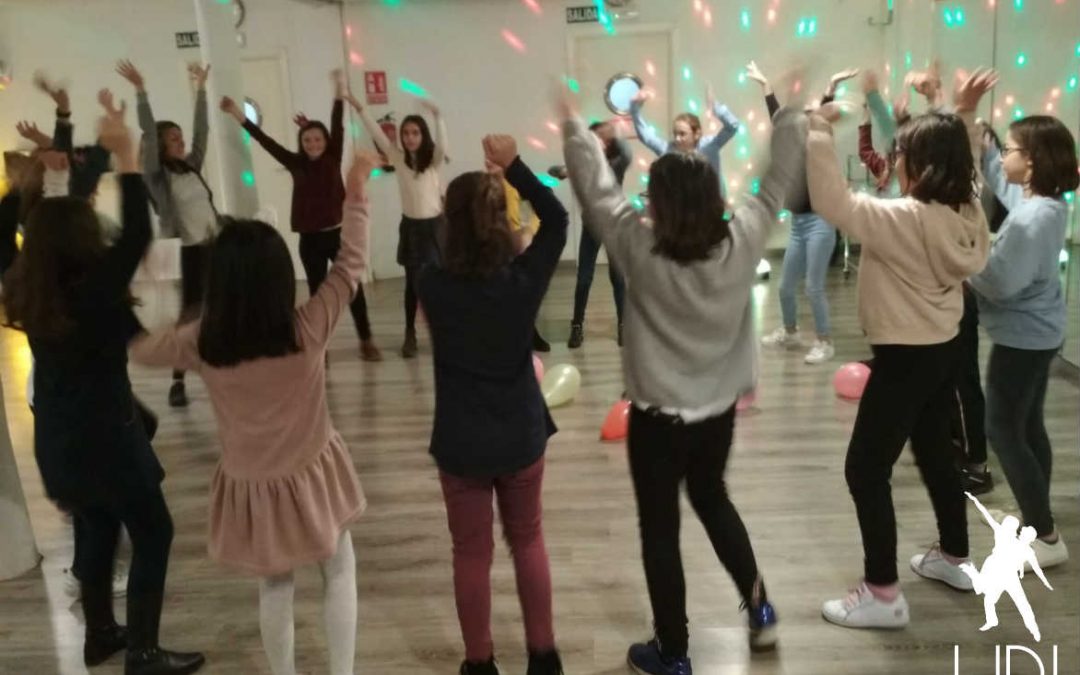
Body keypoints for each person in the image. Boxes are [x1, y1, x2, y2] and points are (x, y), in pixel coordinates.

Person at [562, 83, 803, 672]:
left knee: (660, 531)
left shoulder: (638, 248)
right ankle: (760, 608)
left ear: (662, 205)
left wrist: (574, 128)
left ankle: (673, 653)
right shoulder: (743, 239)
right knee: (713, 498)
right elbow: (777, 179)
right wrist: (791, 113)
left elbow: (597, 193)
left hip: (658, 423)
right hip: (716, 416)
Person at [129, 152, 378, 675]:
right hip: (314, 473)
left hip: (254, 484)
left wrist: (124, 286)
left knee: (275, 585)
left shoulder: (202, 342)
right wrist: (356, 191)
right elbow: (351, 263)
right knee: (339, 568)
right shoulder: (308, 328)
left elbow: (142, 348)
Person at [1, 93, 204, 675]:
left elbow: (9, 232)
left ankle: (100, 635)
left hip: (57, 439)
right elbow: (137, 233)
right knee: (154, 531)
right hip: (107, 438)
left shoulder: (24, 286)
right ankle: (143, 651)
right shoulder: (92, 291)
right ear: (81, 240)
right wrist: (129, 159)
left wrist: (31, 183)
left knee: (96, 526)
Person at [808, 70, 995, 630]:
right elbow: (965, 165)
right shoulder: (967, 211)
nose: (897, 160)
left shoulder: (900, 219)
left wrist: (818, 128)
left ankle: (883, 594)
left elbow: (831, 200)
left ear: (921, 166)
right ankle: (955, 558)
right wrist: (963, 114)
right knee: (936, 453)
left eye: (902, 154)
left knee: (865, 469)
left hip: (903, 357)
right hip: (943, 347)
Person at [965, 106, 1079, 571]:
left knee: (1002, 429)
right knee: (1028, 426)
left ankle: (1046, 537)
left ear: (1031, 162)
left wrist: (963, 261)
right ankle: (1037, 519)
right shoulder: (1045, 204)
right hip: (1038, 333)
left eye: (1009, 149)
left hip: (1024, 339)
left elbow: (1000, 282)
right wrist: (978, 135)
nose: (1002, 157)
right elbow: (1002, 179)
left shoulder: (1032, 221)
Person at [220, 69, 382, 362]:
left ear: (326, 141)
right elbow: (264, 139)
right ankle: (321, 347)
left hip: (338, 235)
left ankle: (366, 339)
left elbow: (336, 122)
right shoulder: (295, 162)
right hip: (310, 239)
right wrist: (236, 113)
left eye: (318, 139)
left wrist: (338, 89)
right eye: (307, 140)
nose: (313, 144)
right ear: (301, 142)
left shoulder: (332, 156)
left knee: (352, 287)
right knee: (318, 295)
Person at [118, 59, 216, 407]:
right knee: (189, 315)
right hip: (187, 252)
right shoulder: (157, 178)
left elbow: (202, 131)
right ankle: (178, 380)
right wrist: (140, 91)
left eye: (180, 136)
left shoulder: (191, 166)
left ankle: (223, 369)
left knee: (219, 307)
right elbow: (147, 130)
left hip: (213, 245)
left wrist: (201, 89)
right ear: (160, 145)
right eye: (173, 138)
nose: (181, 140)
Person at [748, 62, 858, 364]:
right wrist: (765, 84)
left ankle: (825, 341)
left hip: (820, 223)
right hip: (798, 224)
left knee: (813, 287)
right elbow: (777, 116)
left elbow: (821, 113)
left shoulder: (816, 146)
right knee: (785, 287)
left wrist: (832, 85)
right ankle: (790, 332)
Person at [350, 94, 447, 358]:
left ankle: (440, 331)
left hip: (435, 228)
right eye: (406, 133)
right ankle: (410, 332)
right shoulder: (397, 158)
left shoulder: (433, 160)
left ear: (423, 135)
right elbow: (378, 134)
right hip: (412, 228)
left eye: (415, 133)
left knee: (436, 282)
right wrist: (360, 107)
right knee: (413, 284)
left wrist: (438, 116)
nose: (410, 137)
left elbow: (442, 145)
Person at [549, 121, 632, 348]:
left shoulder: (615, 164)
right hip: (592, 228)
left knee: (618, 278)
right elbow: (554, 171)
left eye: (601, 140)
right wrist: (566, 170)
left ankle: (623, 325)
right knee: (584, 278)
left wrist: (617, 134)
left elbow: (626, 154)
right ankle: (577, 326)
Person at [629, 85, 740, 198]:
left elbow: (733, 126)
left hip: (713, 204)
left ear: (697, 134)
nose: (677, 138)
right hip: (684, 206)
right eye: (675, 134)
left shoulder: (710, 145)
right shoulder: (669, 150)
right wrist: (634, 109)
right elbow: (647, 138)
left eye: (682, 134)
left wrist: (716, 108)